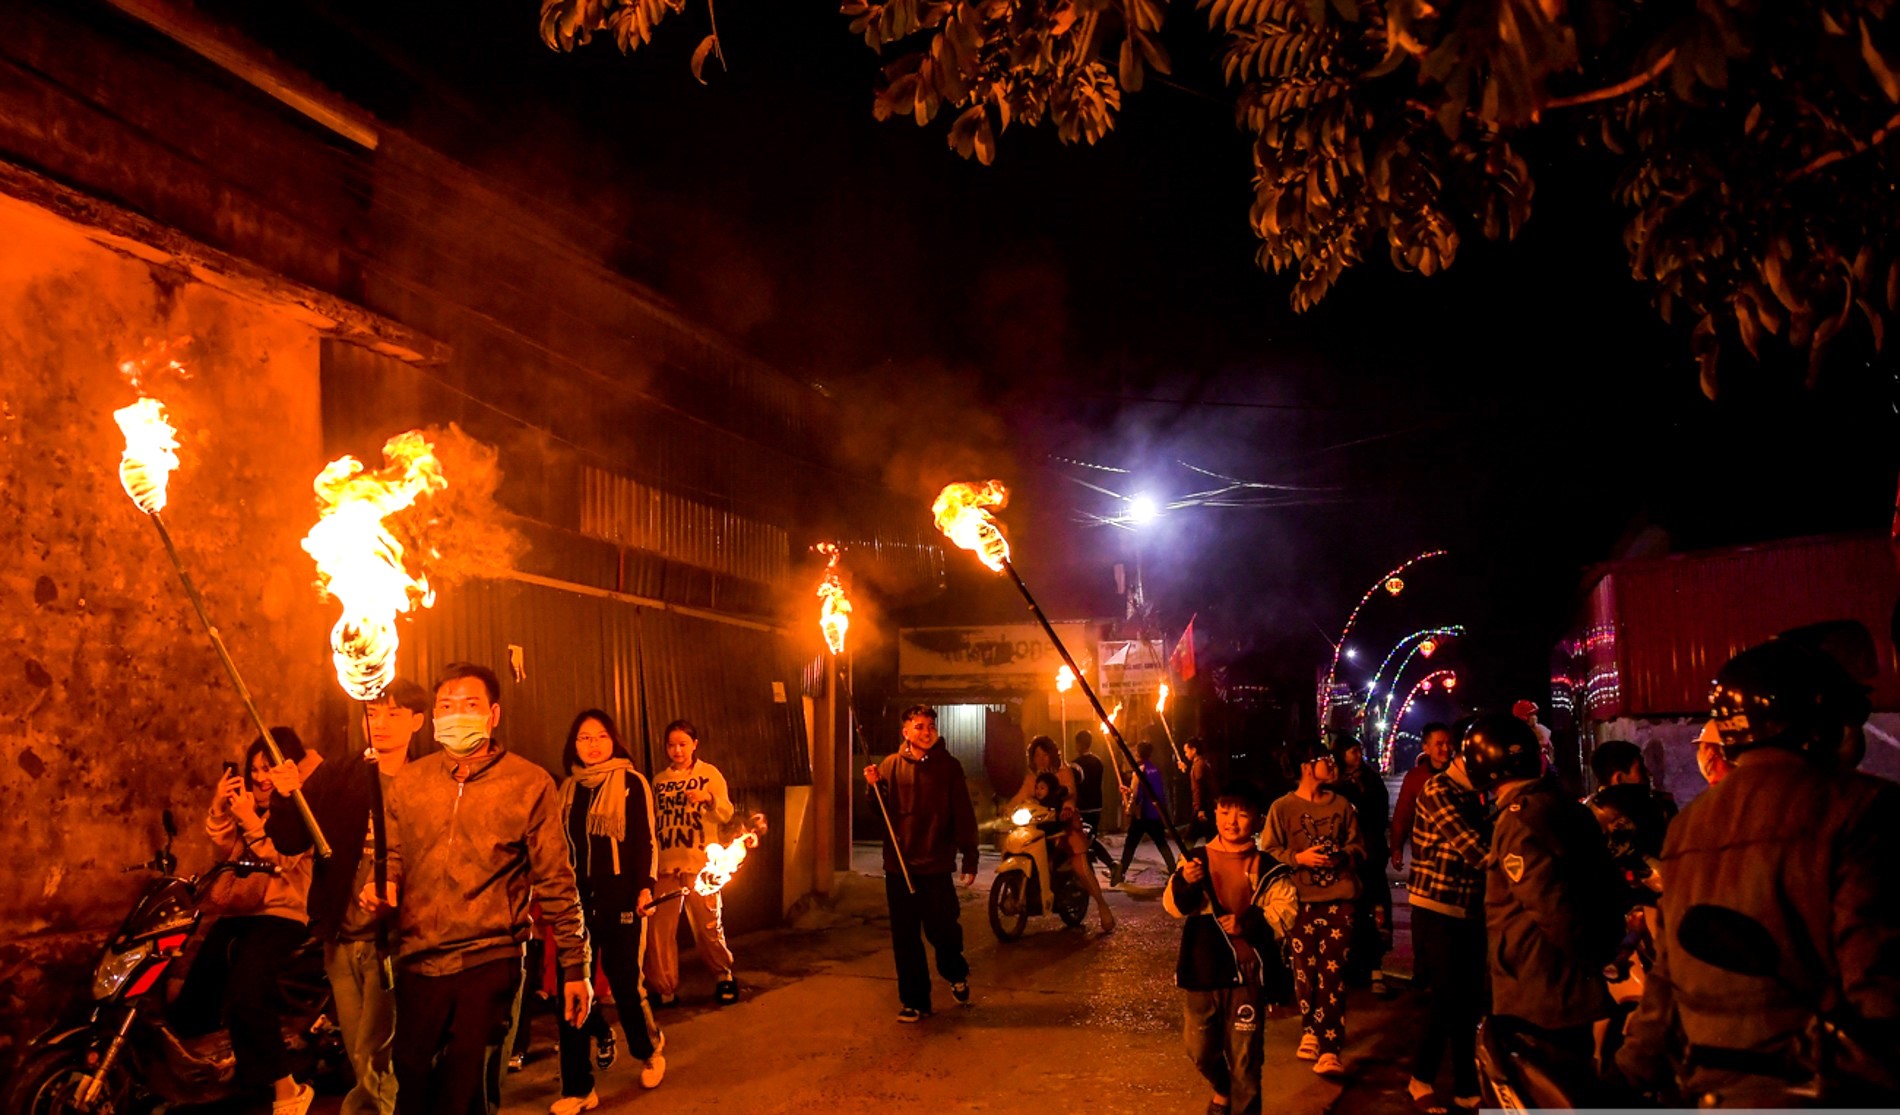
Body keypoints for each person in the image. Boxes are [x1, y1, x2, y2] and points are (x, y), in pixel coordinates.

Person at [1617, 639, 1900, 1105]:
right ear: (1822, 722)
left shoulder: (1689, 825)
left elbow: (1666, 982)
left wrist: (1626, 1077)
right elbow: (1883, 991)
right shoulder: (1862, 809)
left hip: (1711, 1092)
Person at [359, 662, 593, 1115]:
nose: (456, 715)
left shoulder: (529, 783)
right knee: (412, 1083)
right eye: (446, 705)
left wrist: (574, 965)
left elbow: (556, 879)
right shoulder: (411, 781)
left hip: (488, 957)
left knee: (464, 1090)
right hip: (418, 958)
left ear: (493, 714)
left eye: (470, 705)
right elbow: (394, 856)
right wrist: (382, 884)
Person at [266, 681, 429, 1115]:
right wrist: (285, 797)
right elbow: (289, 839)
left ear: (417, 721)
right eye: (373, 713)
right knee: (361, 1051)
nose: (380, 723)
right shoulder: (339, 772)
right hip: (341, 936)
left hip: (395, 940)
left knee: (380, 1048)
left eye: (394, 714)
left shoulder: (427, 782)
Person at [1462, 714, 1622, 1063]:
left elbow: (1553, 909)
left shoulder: (1518, 820)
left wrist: (1591, 955)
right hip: (1566, 990)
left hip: (1540, 993)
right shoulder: (1567, 809)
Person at [176, 730, 317, 1115]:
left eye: (268, 768)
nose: (260, 777)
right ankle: (197, 1075)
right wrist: (221, 806)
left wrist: (253, 824)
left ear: (287, 768)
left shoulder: (300, 808)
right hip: (244, 913)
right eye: (254, 769)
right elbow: (226, 848)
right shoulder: (257, 807)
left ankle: (287, 1089)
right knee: (199, 984)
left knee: (246, 995)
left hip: (284, 916)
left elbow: (286, 859)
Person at [549, 709, 664, 1114]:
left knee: (625, 985)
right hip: (576, 903)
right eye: (584, 738)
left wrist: (645, 888)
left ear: (613, 740)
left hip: (622, 901)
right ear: (573, 745)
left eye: (600, 736)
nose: (592, 744)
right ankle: (578, 1088)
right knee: (573, 989)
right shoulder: (567, 789)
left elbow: (646, 842)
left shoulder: (632, 783)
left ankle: (648, 1049)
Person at [1165, 781, 1299, 1115]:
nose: (1232, 821)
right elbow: (1174, 906)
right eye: (1225, 812)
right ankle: (1221, 1088)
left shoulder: (1267, 868)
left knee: (1246, 1063)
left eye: (1242, 814)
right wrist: (1185, 882)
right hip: (1202, 971)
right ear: (1215, 813)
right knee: (1198, 1049)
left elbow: (1286, 910)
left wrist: (1248, 924)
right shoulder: (1195, 859)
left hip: (1246, 977)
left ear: (1257, 819)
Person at [863, 704, 979, 1022]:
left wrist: (970, 856)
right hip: (899, 866)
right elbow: (881, 812)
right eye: (918, 726)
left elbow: (963, 813)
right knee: (905, 937)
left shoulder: (949, 767)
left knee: (943, 931)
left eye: (930, 726)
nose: (925, 732)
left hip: (936, 865)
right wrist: (873, 788)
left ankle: (955, 973)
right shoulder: (889, 765)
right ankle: (915, 1000)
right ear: (906, 732)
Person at [1262, 741, 1363, 1077]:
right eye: (1326, 760)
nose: (1332, 766)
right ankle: (1310, 1030)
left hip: (1340, 898)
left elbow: (1359, 846)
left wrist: (1342, 855)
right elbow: (1269, 851)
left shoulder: (1343, 805)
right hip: (1300, 901)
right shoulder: (1283, 807)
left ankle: (1331, 1046)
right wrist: (1299, 858)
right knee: (1305, 970)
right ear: (1308, 766)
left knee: (1334, 971)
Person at [1403, 736, 1492, 1113]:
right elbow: (1476, 849)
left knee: (1470, 1000)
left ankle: (1465, 1082)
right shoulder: (1439, 789)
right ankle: (1419, 1078)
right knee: (1445, 997)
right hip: (1436, 908)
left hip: (1468, 908)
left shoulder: (1472, 793)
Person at [646, 718, 739, 1007]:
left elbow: (726, 813)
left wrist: (708, 798)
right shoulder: (659, 781)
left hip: (701, 864)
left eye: (683, 744)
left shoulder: (709, 774)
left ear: (694, 745)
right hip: (666, 864)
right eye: (671, 745)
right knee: (660, 931)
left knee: (709, 925)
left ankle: (724, 976)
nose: (677, 750)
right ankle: (665, 987)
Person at [1008, 735, 1115, 932]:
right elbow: (1022, 794)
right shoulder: (1033, 776)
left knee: (1080, 865)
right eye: (1037, 754)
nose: (1041, 759)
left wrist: (1067, 807)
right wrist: (1008, 809)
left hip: (1065, 825)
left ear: (1052, 755)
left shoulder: (1063, 772)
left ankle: (1102, 906)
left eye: (1044, 754)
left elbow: (1071, 793)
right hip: (1039, 825)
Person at [1331, 735, 1392, 995]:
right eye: (1352, 751)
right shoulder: (1334, 784)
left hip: (1371, 853)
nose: (1357, 755)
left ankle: (1376, 968)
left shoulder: (1371, 779)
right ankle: (1350, 966)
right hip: (1347, 859)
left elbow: (1379, 814)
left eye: (1359, 750)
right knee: (1349, 912)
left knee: (1375, 909)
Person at [1391, 723, 1452, 872]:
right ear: (1426, 748)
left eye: (1448, 743)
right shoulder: (1415, 778)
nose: (1446, 748)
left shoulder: (1461, 775)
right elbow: (1403, 814)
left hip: (1456, 852)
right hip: (1426, 854)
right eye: (1439, 744)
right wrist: (1396, 847)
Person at [1115, 740, 1179, 884]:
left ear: (1138, 754)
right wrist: (1129, 790)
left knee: (1130, 844)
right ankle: (1173, 870)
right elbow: (1148, 791)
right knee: (1162, 844)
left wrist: (1129, 809)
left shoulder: (1139, 771)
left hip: (1142, 815)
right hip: (1155, 813)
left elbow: (1137, 796)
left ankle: (1121, 872)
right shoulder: (1155, 770)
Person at [1070, 730, 1115, 876]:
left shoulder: (1076, 765)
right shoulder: (1098, 762)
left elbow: (1074, 786)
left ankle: (1111, 865)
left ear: (1079, 744)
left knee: (1086, 840)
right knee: (1090, 839)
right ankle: (1106, 866)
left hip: (1083, 807)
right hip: (1097, 805)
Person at [1181, 737, 1221, 845]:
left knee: (1189, 839)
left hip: (1203, 808)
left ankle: (1184, 859)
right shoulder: (1201, 763)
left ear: (1193, 750)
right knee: (1211, 838)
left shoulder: (1199, 765)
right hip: (1207, 807)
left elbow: (1200, 787)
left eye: (1186, 751)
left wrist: (1200, 809)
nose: (1185, 754)